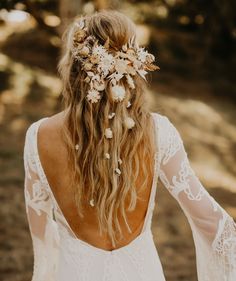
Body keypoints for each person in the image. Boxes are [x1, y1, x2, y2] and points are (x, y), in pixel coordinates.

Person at [23, 10, 236, 281]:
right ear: (133, 65)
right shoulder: (158, 133)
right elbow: (210, 222)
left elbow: (41, 235)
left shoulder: (39, 136)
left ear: (74, 67)